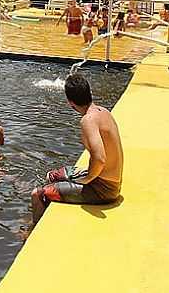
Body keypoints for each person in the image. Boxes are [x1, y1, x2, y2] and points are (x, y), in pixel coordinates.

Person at [30, 73, 123, 226]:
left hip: (103, 190)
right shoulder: (103, 111)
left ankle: (30, 231)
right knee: (52, 176)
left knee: (37, 194)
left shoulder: (88, 120)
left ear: (70, 102)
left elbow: (100, 158)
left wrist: (87, 180)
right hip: (110, 182)